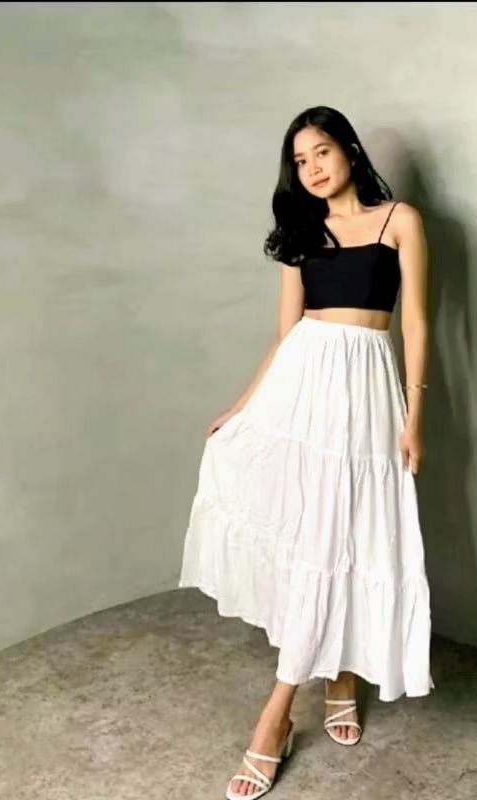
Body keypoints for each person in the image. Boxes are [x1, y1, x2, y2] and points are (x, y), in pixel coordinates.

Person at [178, 105, 434, 800]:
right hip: (305, 389)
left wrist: (414, 415)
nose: (313, 168)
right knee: (316, 535)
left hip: (368, 387)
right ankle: (286, 708)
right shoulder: (300, 236)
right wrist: (242, 406)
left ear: (348, 149)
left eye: (321, 151)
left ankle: (332, 679)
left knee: (350, 533)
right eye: (300, 160)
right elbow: (287, 333)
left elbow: (415, 322)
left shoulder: (400, 221)